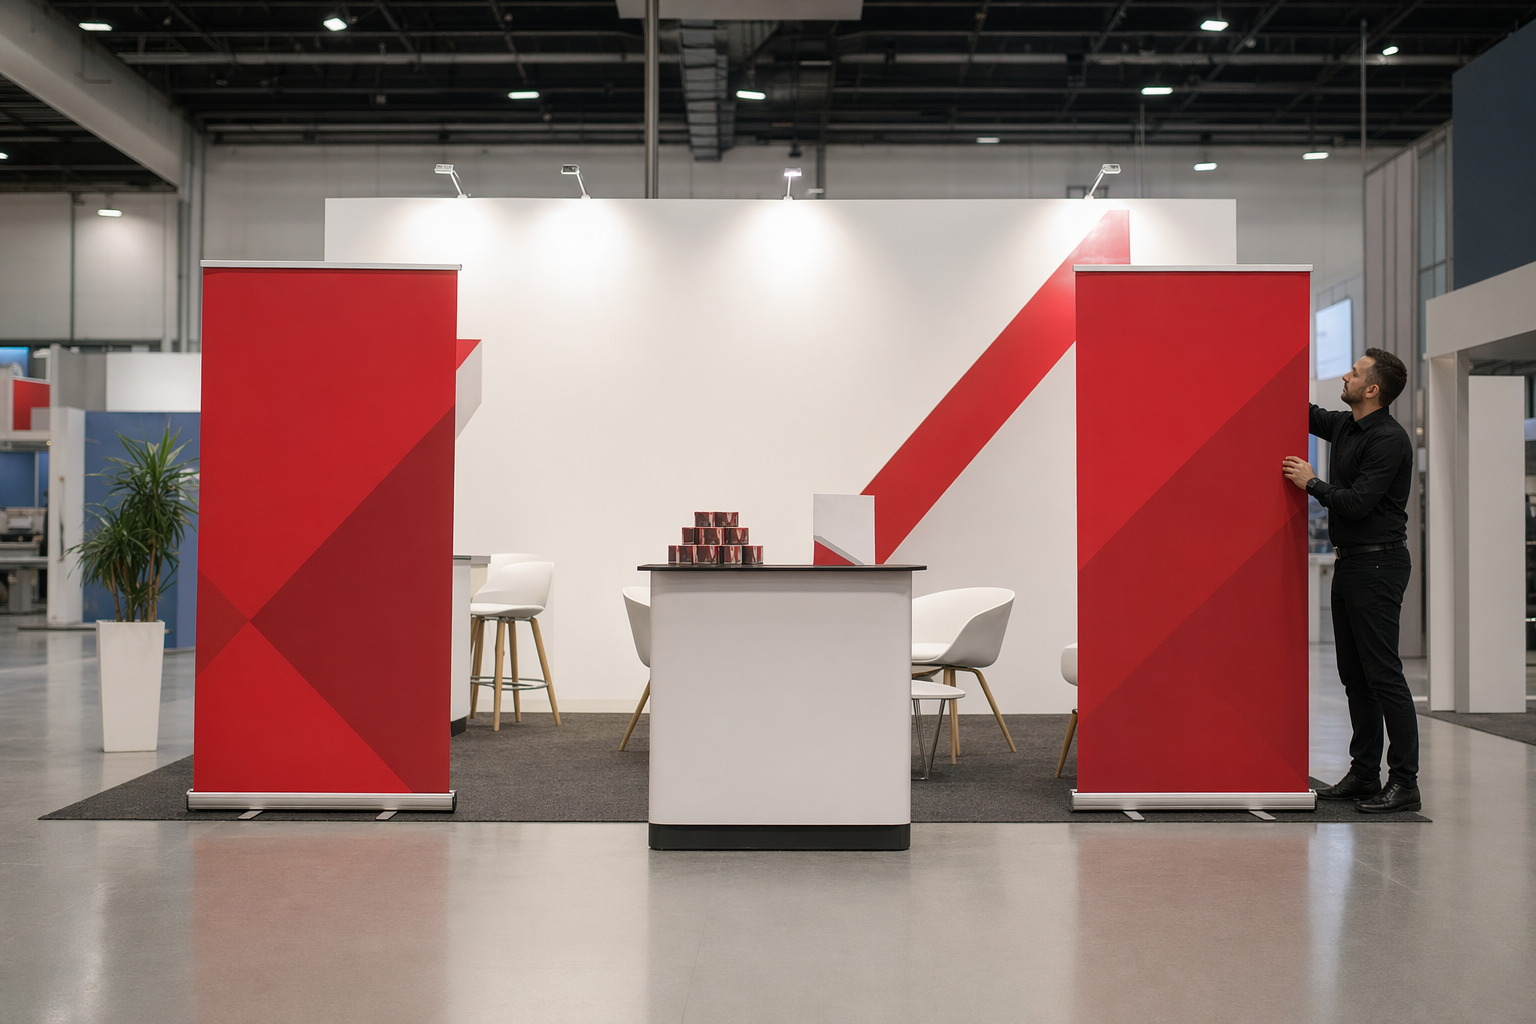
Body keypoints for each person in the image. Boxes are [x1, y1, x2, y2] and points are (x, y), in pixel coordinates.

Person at [1282, 348, 1419, 813]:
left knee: (1383, 675)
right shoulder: (1346, 425)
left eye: (1355, 372)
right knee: (1355, 677)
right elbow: (1300, 412)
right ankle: (1364, 774)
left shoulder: (1389, 440)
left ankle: (1404, 783)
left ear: (1372, 389)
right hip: (1352, 563)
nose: (1346, 375)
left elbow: (1358, 503)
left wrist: (1312, 484)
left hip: (1379, 565)